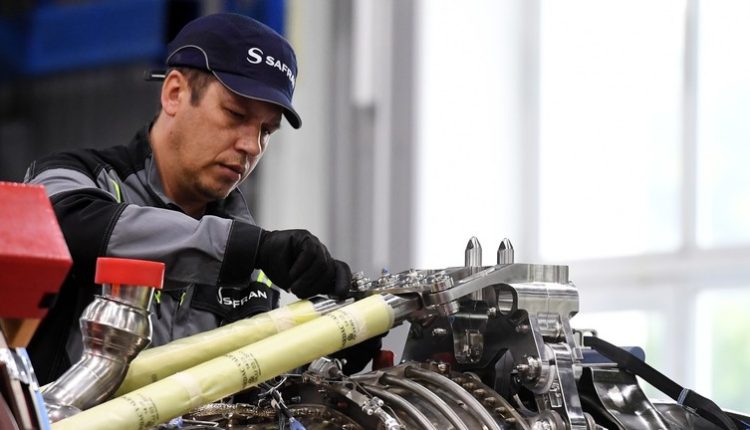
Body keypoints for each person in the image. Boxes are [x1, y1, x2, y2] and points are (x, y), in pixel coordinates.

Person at [24, 13, 379, 384]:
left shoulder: (254, 268)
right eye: (235, 114)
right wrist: (247, 249)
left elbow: (250, 388)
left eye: (266, 131)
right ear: (175, 93)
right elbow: (68, 228)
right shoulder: (71, 177)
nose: (251, 145)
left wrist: (332, 344)